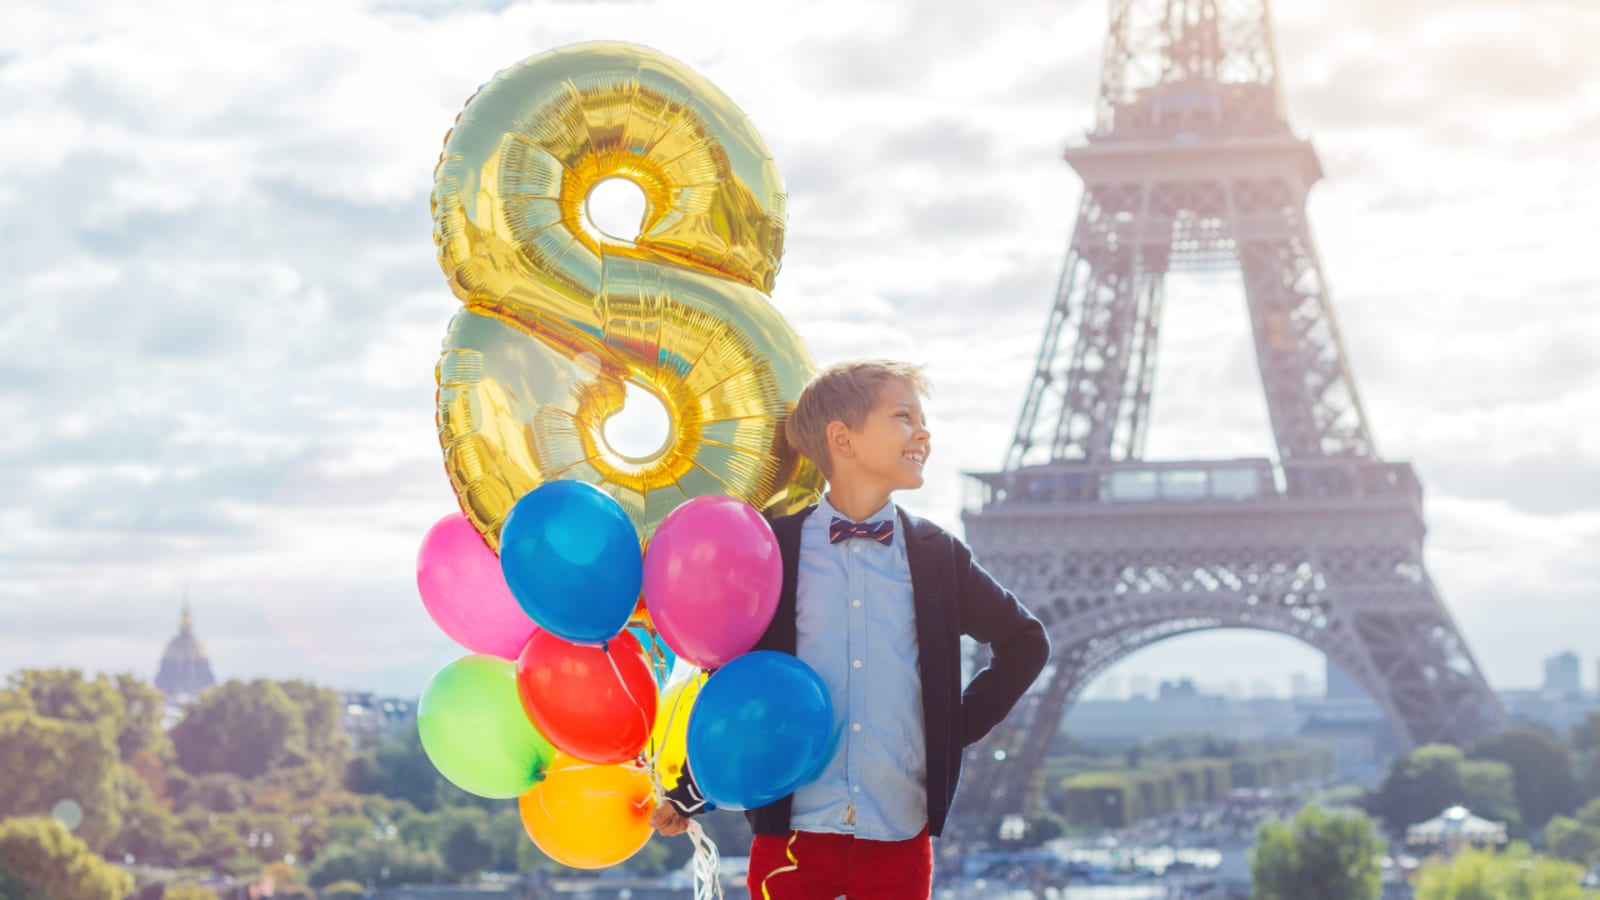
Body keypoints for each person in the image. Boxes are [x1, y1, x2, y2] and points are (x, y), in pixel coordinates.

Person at [649, 359, 1050, 898]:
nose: (923, 432)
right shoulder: (774, 551)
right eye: (903, 416)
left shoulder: (937, 556)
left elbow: (1026, 642)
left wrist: (952, 730)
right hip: (790, 833)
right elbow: (733, 683)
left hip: (898, 830)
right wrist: (690, 793)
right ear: (844, 439)